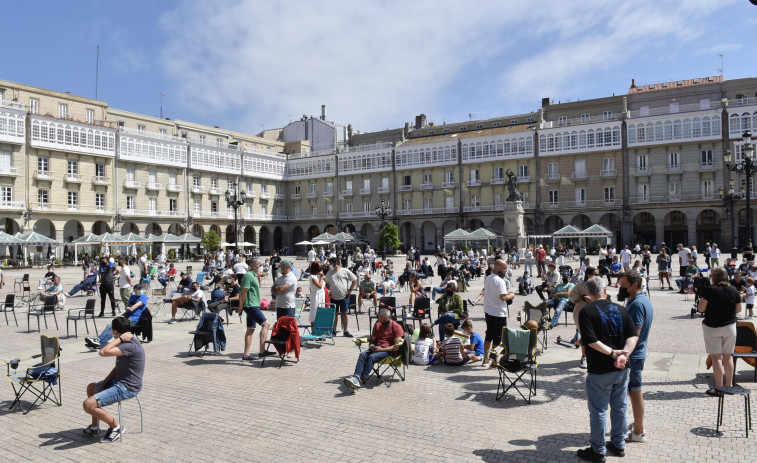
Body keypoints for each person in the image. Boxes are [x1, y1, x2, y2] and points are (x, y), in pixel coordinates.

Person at [576, 277, 639, 462]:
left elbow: (591, 340)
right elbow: (633, 336)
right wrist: (624, 354)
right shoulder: (621, 308)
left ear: (588, 293)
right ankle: (618, 444)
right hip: (622, 367)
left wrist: (614, 353)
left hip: (600, 369)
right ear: (605, 290)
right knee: (619, 406)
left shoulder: (587, 311)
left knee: (599, 410)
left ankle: (598, 449)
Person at [82, 316, 145, 442]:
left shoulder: (129, 345)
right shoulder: (126, 343)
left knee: (88, 405)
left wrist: (119, 339)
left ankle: (116, 426)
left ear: (115, 331)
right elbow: (117, 368)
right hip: (119, 382)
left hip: (128, 387)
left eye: (112, 331)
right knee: (91, 387)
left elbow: (102, 352)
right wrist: (103, 384)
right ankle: (95, 427)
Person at [618, 271, 653, 444]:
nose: (621, 288)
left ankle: (639, 431)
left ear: (634, 285)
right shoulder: (639, 300)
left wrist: (624, 354)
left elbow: (635, 333)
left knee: (635, 391)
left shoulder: (638, 304)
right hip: (636, 354)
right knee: (633, 391)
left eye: (624, 285)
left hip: (634, 355)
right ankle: (636, 426)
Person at [697, 267, 741, 396]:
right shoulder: (733, 289)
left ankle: (719, 388)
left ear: (714, 277)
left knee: (717, 358)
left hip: (712, 327)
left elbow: (700, 309)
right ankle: (729, 386)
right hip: (730, 327)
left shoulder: (710, 290)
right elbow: (738, 309)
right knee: (728, 357)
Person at [343, 307, 403, 391]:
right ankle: (356, 377)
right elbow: (373, 340)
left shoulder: (397, 327)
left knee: (372, 357)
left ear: (390, 318)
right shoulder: (378, 324)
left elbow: (396, 347)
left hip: (388, 351)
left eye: (384, 321)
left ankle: (360, 380)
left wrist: (381, 349)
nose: (381, 322)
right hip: (376, 348)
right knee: (362, 355)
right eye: (380, 320)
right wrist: (371, 346)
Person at [85, 284, 148, 349]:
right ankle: (98, 341)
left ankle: (100, 344)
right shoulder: (132, 297)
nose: (138, 292)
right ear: (134, 291)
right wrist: (127, 308)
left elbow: (135, 306)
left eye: (139, 290)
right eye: (136, 291)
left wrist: (130, 308)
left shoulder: (144, 297)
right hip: (126, 316)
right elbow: (127, 307)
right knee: (110, 325)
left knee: (116, 328)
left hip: (134, 319)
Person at [238, 258, 272, 360]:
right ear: (253, 266)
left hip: (254, 304)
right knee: (266, 324)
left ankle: (246, 354)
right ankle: (262, 351)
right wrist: (240, 306)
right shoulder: (248, 275)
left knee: (250, 329)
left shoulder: (254, 275)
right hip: (250, 305)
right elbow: (244, 292)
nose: (261, 267)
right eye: (260, 265)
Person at [482, 259, 515, 364]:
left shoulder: (488, 277)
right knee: (497, 338)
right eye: (505, 268)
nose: (506, 270)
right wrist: (512, 295)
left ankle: (486, 358)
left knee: (488, 335)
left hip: (488, 311)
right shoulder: (500, 280)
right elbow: (502, 297)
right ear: (498, 268)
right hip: (498, 313)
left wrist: (506, 292)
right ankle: (494, 361)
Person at [570, 266, 598, 369]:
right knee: (586, 335)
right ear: (588, 275)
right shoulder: (580, 285)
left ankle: (579, 342)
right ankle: (584, 357)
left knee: (592, 335)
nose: (597, 276)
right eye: (595, 274)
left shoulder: (599, 285)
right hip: (581, 314)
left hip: (595, 314)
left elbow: (605, 296)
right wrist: (581, 298)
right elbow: (572, 296)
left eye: (598, 274)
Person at [325, 256, 357, 337]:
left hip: (344, 296)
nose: (330, 265)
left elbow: (354, 279)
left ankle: (345, 330)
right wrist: (329, 291)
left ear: (336, 263)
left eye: (331, 263)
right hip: (333, 297)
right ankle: (334, 330)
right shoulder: (329, 273)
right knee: (334, 314)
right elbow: (326, 283)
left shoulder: (345, 270)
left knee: (344, 314)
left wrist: (350, 290)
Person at [308, 262, 326, 328]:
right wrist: (321, 278)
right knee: (314, 313)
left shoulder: (318, 275)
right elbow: (319, 286)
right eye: (320, 266)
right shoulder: (312, 277)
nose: (321, 267)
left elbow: (326, 282)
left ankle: (320, 331)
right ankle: (313, 331)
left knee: (321, 313)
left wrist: (321, 276)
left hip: (321, 295)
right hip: (316, 295)